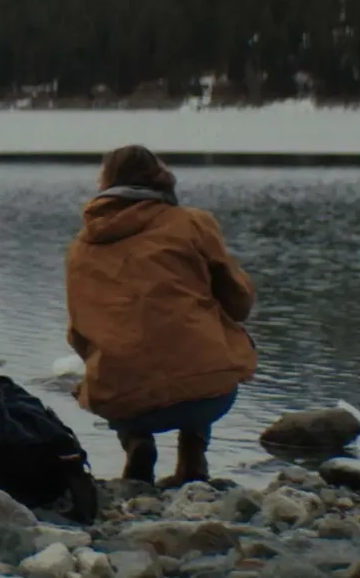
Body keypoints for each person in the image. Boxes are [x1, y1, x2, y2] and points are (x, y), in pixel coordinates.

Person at [64, 144, 257, 486]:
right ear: (161, 179)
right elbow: (239, 303)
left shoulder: (83, 246)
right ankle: (193, 456)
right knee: (205, 339)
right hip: (205, 393)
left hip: (126, 400)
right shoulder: (194, 223)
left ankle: (136, 443)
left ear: (105, 184)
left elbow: (79, 334)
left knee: (104, 368)